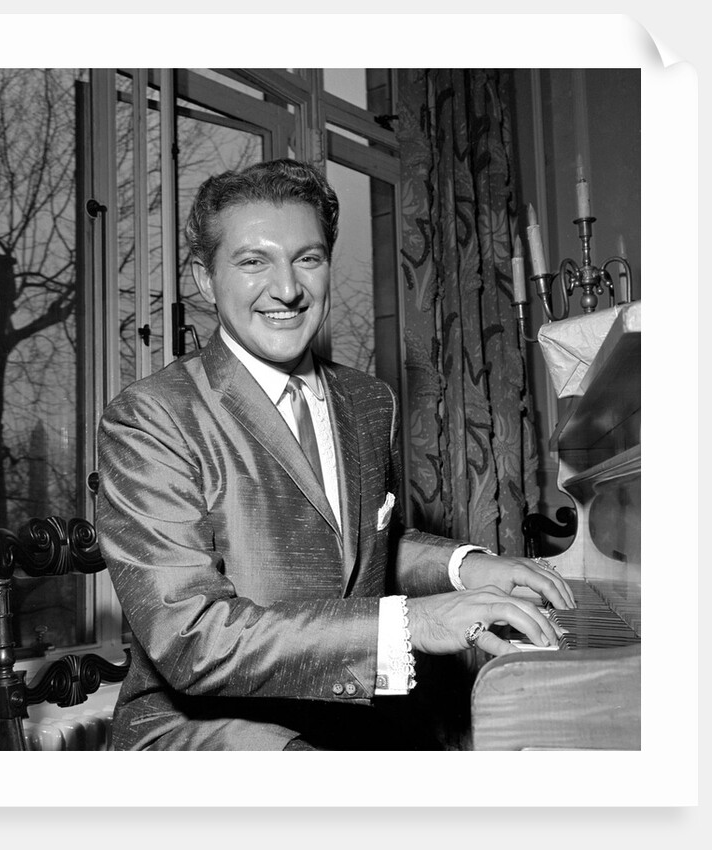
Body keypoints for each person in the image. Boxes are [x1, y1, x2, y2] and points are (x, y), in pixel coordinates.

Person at [97, 158, 575, 751]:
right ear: (203, 278)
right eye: (253, 261)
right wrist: (416, 622)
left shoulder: (370, 401)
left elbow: (364, 552)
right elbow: (192, 637)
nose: (288, 289)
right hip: (203, 731)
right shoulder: (151, 417)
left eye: (308, 258)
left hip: (347, 710)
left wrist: (467, 567)